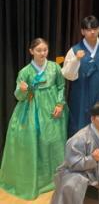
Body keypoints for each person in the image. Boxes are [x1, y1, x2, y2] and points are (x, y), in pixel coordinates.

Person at [0, 38, 68, 200]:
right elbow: (19, 96)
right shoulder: (25, 72)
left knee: (52, 142)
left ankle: (53, 178)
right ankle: (34, 180)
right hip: (31, 110)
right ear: (31, 51)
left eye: (45, 50)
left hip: (52, 109)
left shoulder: (54, 67)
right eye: (39, 50)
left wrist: (60, 104)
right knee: (32, 142)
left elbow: (61, 86)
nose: (43, 53)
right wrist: (22, 90)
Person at [61, 15, 99, 137]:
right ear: (82, 31)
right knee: (79, 127)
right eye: (89, 29)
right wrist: (76, 59)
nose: (92, 32)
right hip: (80, 95)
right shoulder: (74, 50)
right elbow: (68, 75)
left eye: (95, 29)